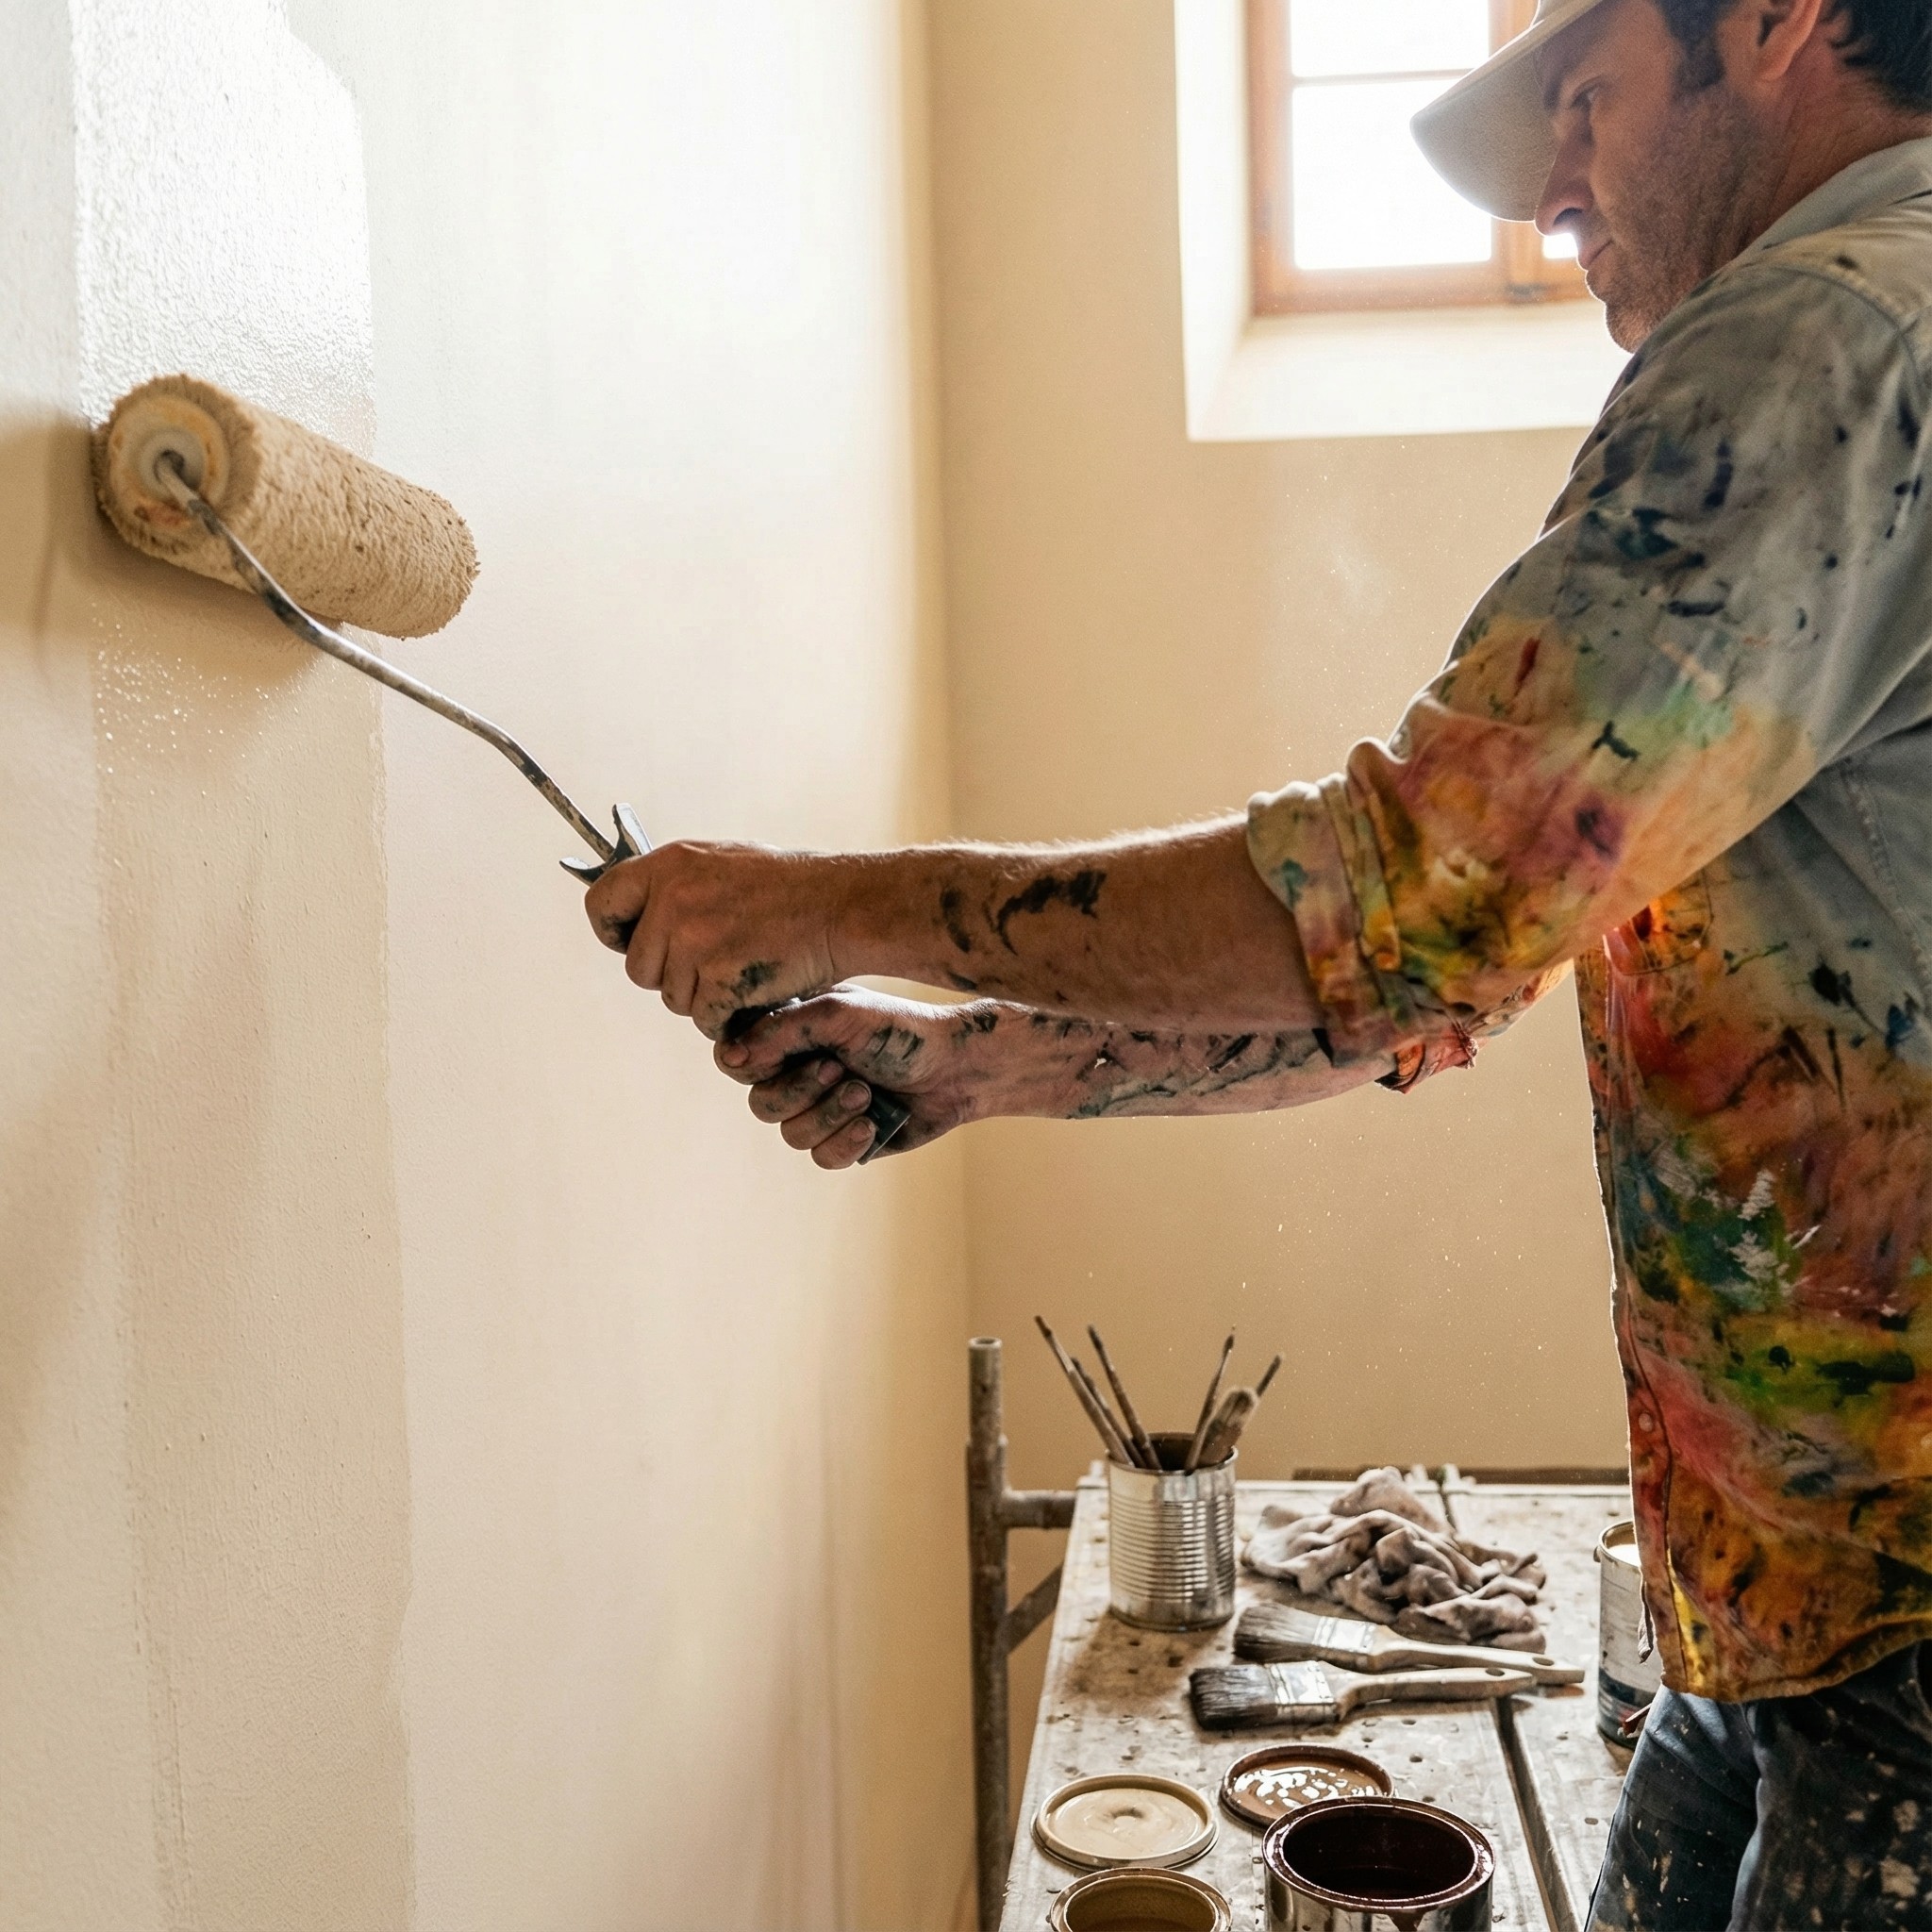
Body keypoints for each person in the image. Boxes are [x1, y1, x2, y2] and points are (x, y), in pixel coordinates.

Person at [587, 1, 1932, 1922]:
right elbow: (1433, 965)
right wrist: (983, 1062)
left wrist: (821, 902)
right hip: (1797, 1598)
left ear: (1781, 22)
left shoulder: (1836, 334)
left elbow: (1401, 901)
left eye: (1582, 100)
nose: (1551, 193)